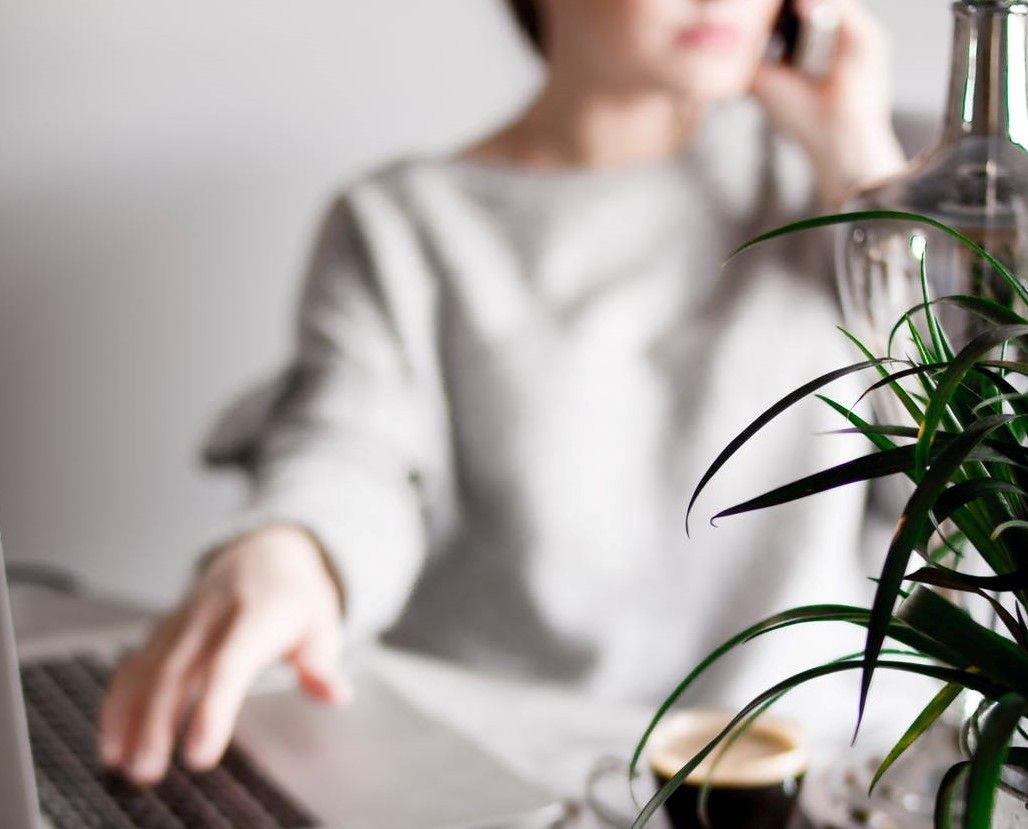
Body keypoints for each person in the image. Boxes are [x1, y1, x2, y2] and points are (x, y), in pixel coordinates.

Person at [99, 0, 907, 786]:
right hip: (504, 780)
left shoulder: (844, 191)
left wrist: (864, 178)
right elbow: (349, 447)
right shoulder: (404, 221)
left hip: (797, 781)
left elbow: (967, 501)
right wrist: (295, 548)